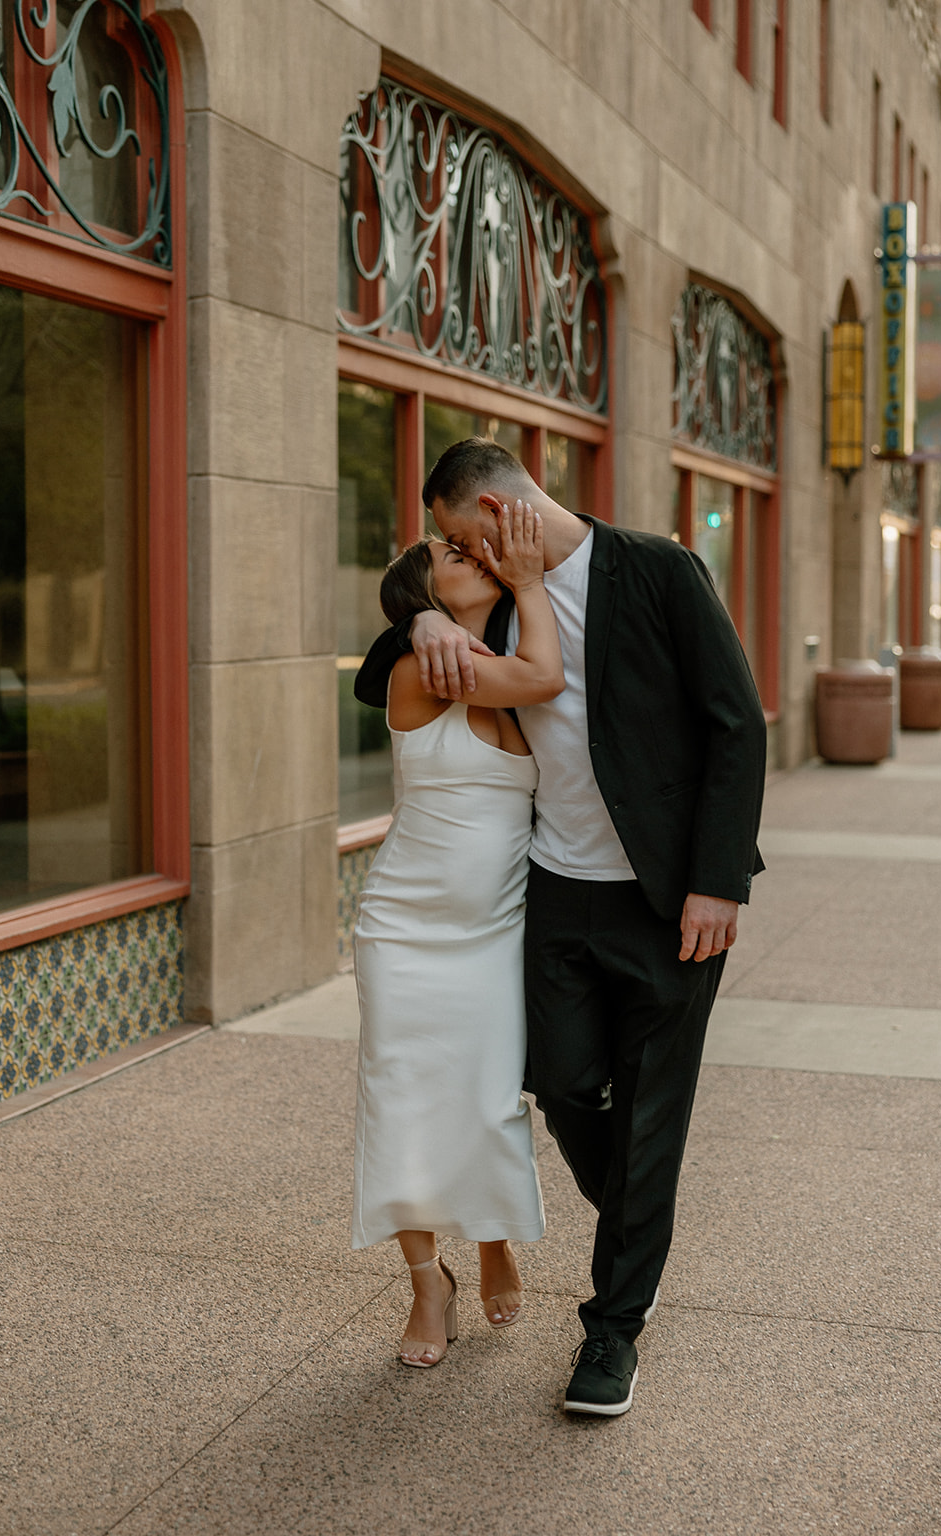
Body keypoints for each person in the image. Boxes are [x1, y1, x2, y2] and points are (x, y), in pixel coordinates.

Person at [355, 438, 767, 1414]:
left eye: (457, 536)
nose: (454, 553)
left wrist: (716, 880)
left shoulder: (657, 569)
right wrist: (418, 618)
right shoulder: (492, 596)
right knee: (563, 1084)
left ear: (496, 515)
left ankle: (611, 1330)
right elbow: (380, 673)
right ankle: (635, 1226)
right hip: (552, 890)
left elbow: (734, 722)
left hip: (668, 899)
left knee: (653, 1110)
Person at [352, 499, 565, 1368]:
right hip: (403, 928)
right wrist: (519, 581)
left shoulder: (477, 647)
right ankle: (424, 1282)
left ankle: (489, 1242)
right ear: (420, 593)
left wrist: (496, 594)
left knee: (485, 1104)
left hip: (494, 932)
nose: (463, 553)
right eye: (445, 553)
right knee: (398, 1100)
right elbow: (543, 681)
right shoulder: (423, 663)